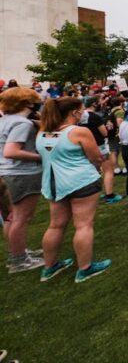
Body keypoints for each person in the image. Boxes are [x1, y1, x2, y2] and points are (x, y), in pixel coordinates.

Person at [36, 97, 111, 282]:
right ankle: (85, 268)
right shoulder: (79, 132)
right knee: (84, 224)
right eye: (81, 110)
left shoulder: (43, 133)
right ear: (74, 112)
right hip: (81, 180)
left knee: (55, 224)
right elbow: (96, 157)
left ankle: (50, 266)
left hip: (53, 182)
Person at [0, 88, 45, 273]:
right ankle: (19, 260)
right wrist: (41, 156)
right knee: (20, 218)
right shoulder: (21, 123)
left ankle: (16, 253)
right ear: (27, 103)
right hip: (22, 173)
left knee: (11, 216)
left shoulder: (4, 120)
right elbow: (11, 151)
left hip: (6, 172)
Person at [83, 96, 123, 204]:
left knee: (93, 171)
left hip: (85, 147)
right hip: (99, 146)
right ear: (94, 104)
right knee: (108, 170)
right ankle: (109, 195)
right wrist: (108, 127)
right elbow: (104, 133)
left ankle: (93, 193)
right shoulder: (95, 117)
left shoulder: (80, 117)